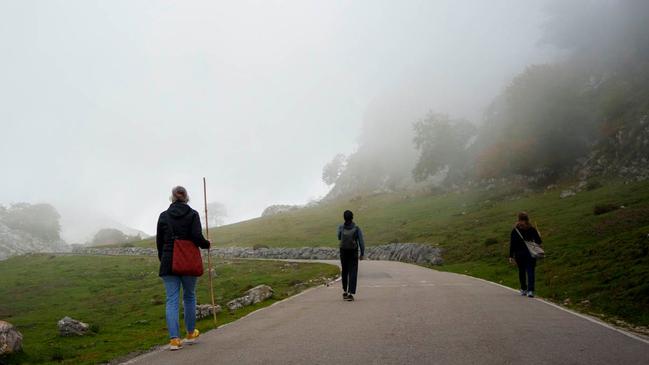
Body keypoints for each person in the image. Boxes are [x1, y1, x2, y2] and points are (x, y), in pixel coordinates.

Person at [156, 186, 211, 351]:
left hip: (168, 261)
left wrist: (163, 258)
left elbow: (159, 242)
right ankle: (190, 334)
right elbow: (196, 237)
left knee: (171, 300)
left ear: (171, 198)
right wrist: (207, 244)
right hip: (188, 261)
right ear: (187, 197)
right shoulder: (193, 214)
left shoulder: (163, 216)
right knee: (189, 297)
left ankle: (174, 340)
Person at [509, 211, 542, 298]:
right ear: (527, 219)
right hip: (531, 253)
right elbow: (538, 242)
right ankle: (530, 290)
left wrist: (511, 256)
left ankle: (524, 289)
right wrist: (538, 235)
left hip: (519, 254)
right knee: (530, 271)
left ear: (519, 219)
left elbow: (512, 244)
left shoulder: (515, 230)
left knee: (522, 271)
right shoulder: (532, 229)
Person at [337, 210, 365, 301]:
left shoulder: (341, 227)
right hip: (353, 251)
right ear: (352, 217)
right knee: (353, 272)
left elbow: (339, 237)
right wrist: (362, 254)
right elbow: (361, 241)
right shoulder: (356, 228)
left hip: (343, 251)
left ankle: (344, 291)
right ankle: (350, 294)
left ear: (344, 218)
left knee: (344, 271)